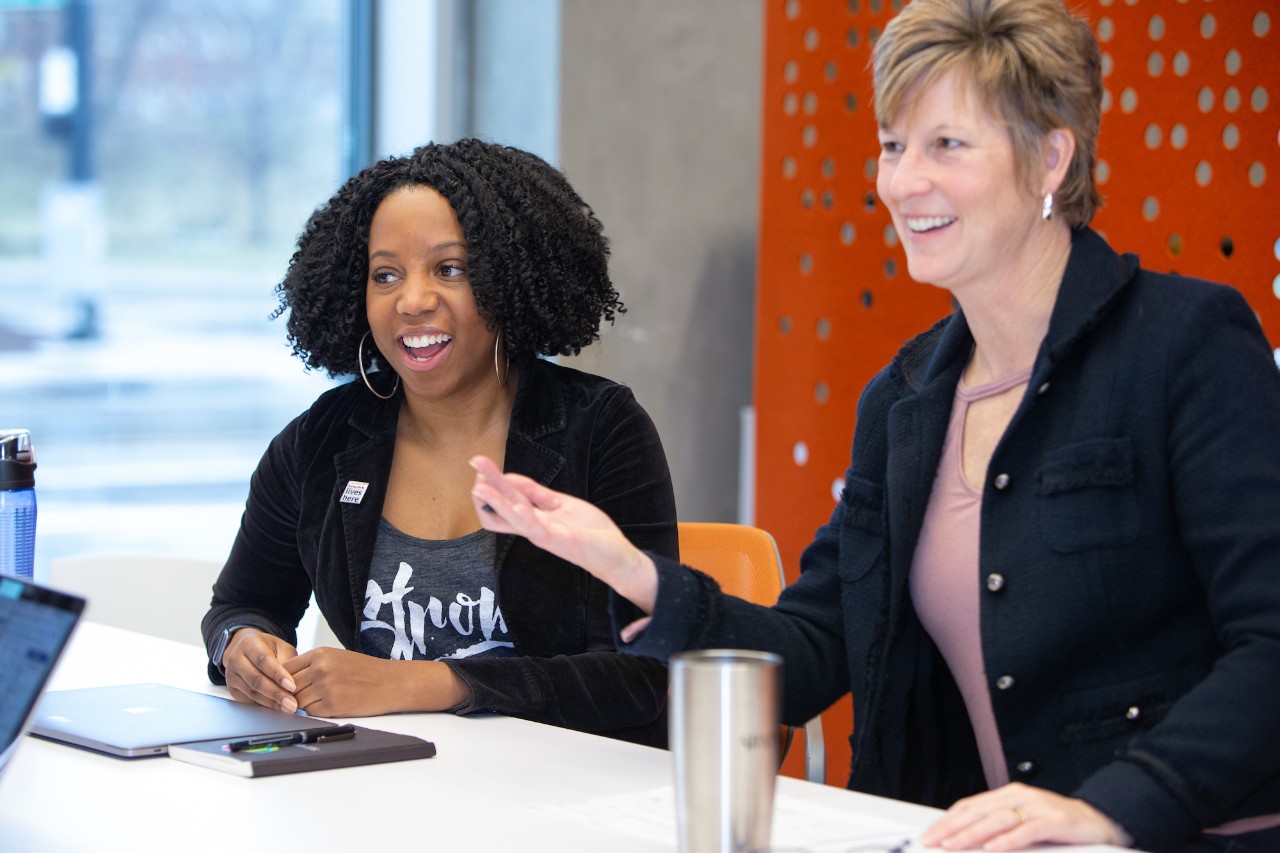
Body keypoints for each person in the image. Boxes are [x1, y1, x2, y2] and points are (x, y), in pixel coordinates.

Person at [469, 1, 1280, 849]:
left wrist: (1113, 806)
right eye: (894, 145)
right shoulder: (903, 397)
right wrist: (631, 569)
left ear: (1051, 157)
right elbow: (814, 648)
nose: (901, 181)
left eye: (946, 145)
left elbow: (1271, 640)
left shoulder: (1185, 343)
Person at [201, 139, 677, 747]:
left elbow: (639, 675)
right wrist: (241, 645)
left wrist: (427, 684)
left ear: (509, 280)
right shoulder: (320, 441)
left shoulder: (601, 428)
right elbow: (241, 604)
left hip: (564, 792)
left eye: (450, 269)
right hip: (391, 788)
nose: (413, 300)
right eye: (385, 275)